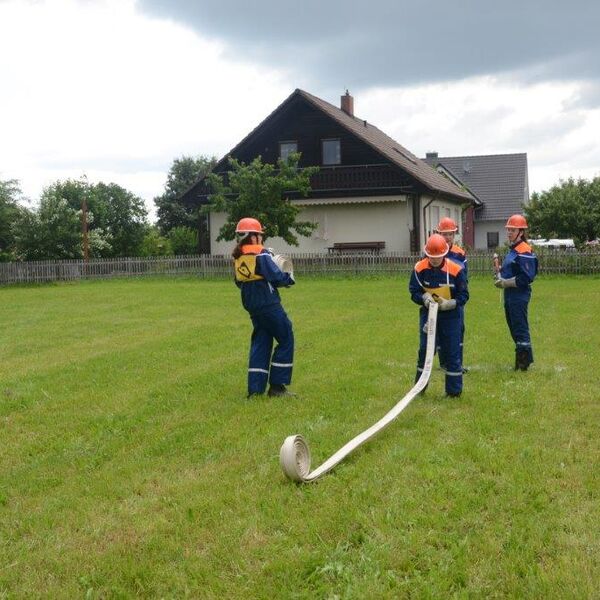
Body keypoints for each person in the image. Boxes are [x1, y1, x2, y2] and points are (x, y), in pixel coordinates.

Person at [232, 217, 296, 398]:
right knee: (286, 338)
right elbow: (275, 276)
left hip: (253, 307)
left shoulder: (238, 257)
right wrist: (288, 279)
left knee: (261, 342)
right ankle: (277, 387)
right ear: (253, 237)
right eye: (260, 235)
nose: (261, 239)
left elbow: (239, 282)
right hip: (269, 304)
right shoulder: (261, 253)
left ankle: (255, 390)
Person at [409, 233, 469, 397]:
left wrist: (451, 303)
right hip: (428, 315)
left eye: (438, 257)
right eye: (431, 257)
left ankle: (453, 392)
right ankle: (419, 388)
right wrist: (424, 298)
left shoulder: (456, 270)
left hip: (451, 317)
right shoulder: (419, 268)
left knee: (452, 351)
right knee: (424, 350)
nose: (434, 260)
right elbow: (413, 291)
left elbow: (464, 295)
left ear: (445, 253)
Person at [494, 214, 538, 371]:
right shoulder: (513, 250)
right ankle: (524, 358)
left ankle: (522, 364)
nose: (509, 233)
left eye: (513, 230)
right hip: (510, 294)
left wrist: (505, 282)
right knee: (514, 327)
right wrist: (500, 274)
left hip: (519, 295)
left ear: (521, 232)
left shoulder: (524, 250)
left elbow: (526, 277)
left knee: (519, 327)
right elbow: (510, 270)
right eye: (508, 230)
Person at [436, 217, 468, 373]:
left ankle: (457, 362)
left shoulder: (460, 253)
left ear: (454, 235)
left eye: (450, 234)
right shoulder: (433, 250)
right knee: (440, 329)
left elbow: (464, 276)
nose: (447, 237)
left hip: (455, 299)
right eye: (444, 234)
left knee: (458, 329)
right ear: (439, 234)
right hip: (438, 297)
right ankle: (443, 362)